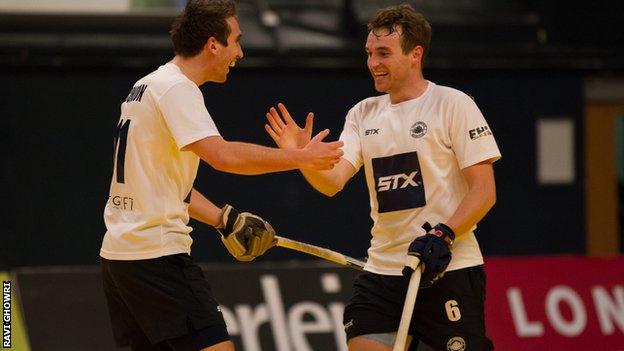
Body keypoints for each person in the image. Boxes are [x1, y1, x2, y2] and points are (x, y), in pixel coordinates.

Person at [99, 1, 344, 350]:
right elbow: (223, 156)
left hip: (121, 260)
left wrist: (222, 218)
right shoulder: (178, 89)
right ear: (214, 44)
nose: (240, 53)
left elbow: (161, 184)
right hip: (156, 257)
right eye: (236, 41)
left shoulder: (147, 85)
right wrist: (299, 157)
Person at [265, 4, 500, 351]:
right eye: (370, 53)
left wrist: (444, 234)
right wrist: (301, 158)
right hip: (383, 272)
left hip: (448, 269)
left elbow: (484, 192)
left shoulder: (453, 104)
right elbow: (333, 182)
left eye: (384, 53)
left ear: (415, 54)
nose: (373, 63)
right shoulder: (363, 113)